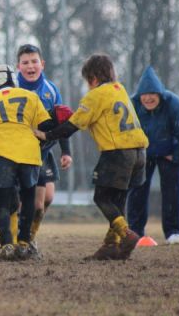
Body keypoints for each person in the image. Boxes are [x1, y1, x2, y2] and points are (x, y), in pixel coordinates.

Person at [35, 54, 148, 260]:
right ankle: (111, 246)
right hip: (140, 152)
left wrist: (46, 135)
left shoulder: (95, 95)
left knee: (101, 196)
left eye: (87, 80)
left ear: (93, 78)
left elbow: (73, 125)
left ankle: (126, 234)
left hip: (117, 152)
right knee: (118, 199)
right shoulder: (119, 89)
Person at [0, 64, 52, 260]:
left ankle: (7, 244)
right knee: (28, 198)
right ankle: (24, 242)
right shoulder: (31, 96)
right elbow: (46, 127)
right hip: (29, 154)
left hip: (2, 155)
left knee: (3, 202)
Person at [127, 66, 179, 245]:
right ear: (139, 95)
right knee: (137, 189)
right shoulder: (131, 105)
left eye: (153, 93)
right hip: (142, 153)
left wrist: (178, 157)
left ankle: (173, 232)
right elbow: (122, 134)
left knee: (171, 189)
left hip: (169, 152)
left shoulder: (173, 103)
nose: (148, 98)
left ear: (160, 94)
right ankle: (135, 232)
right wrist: (130, 158)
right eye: (145, 94)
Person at [15, 44, 73, 256]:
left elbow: (62, 122)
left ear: (42, 64)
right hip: (21, 153)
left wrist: (65, 152)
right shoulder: (13, 89)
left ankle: (28, 236)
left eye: (34, 61)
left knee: (46, 199)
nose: (30, 66)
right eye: (25, 62)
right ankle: (21, 239)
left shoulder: (50, 89)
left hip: (44, 151)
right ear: (18, 66)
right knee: (31, 202)